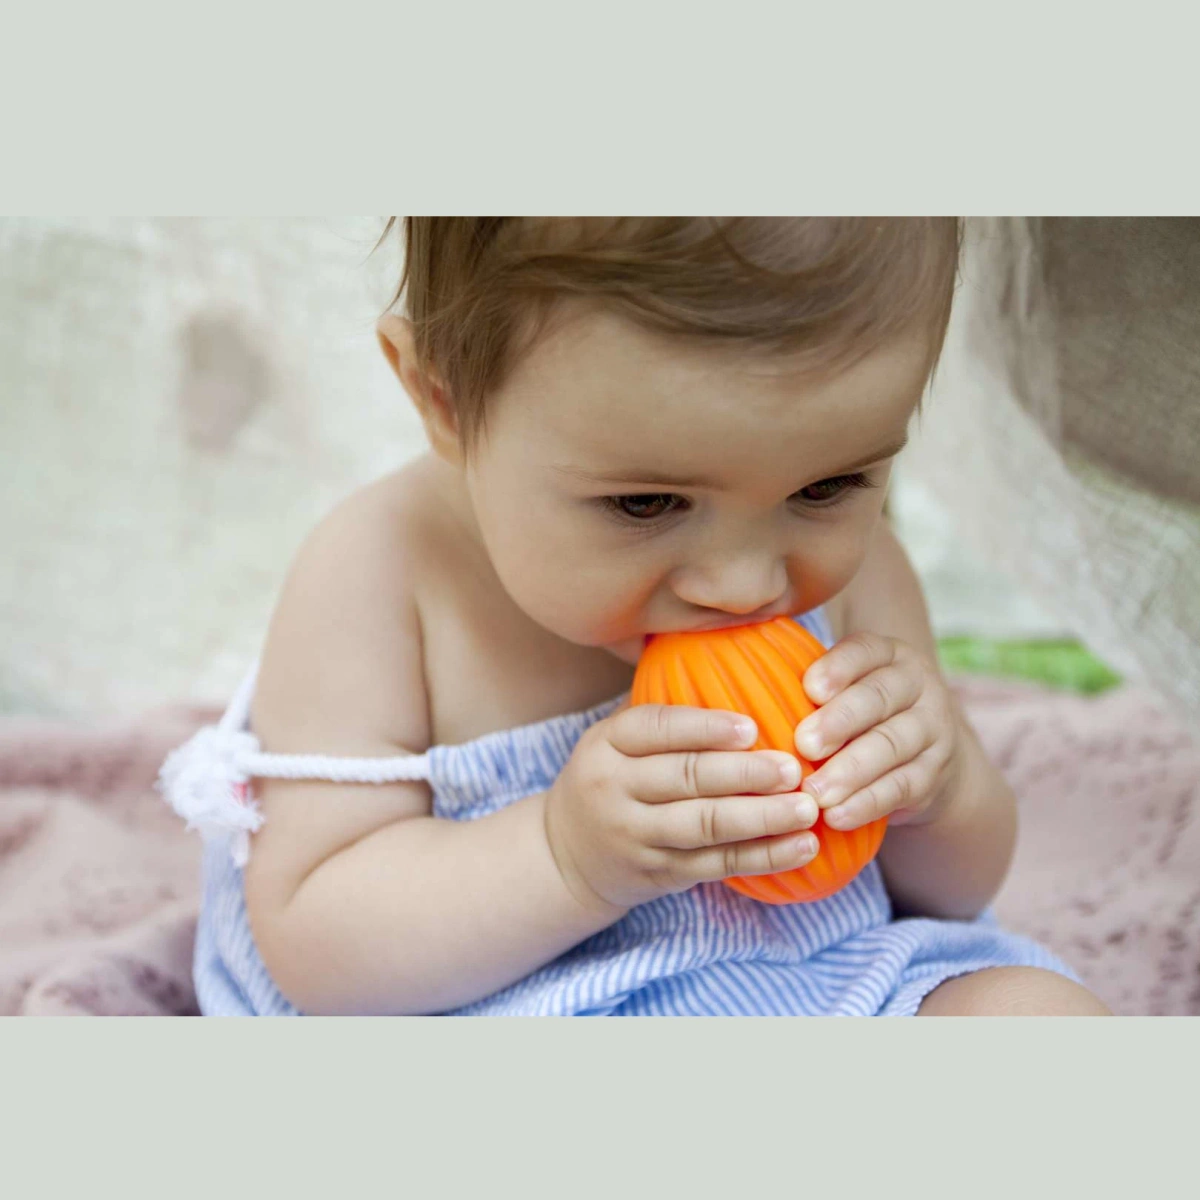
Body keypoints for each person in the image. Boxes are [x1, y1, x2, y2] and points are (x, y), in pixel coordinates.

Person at [161, 218, 1110, 1016]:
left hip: (831, 980)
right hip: (513, 1009)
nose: (745, 584)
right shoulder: (381, 574)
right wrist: (563, 858)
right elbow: (321, 953)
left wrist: (939, 791)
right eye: (647, 504)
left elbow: (953, 894)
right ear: (443, 398)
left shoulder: (859, 583)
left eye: (827, 486)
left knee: (1037, 1017)